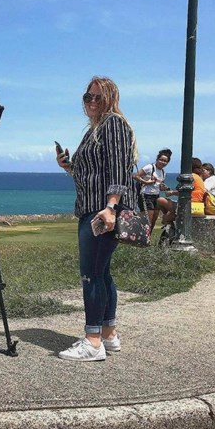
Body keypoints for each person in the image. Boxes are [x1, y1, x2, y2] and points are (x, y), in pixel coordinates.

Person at [55, 76, 137, 362]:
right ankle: (108, 334)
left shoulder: (113, 124)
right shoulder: (95, 130)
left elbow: (117, 170)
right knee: (102, 273)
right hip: (93, 207)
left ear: (110, 99)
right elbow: (90, 173)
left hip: (101, 212)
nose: (91, 102)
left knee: (90, 274)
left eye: (97, 98)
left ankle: (92, 341)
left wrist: (111, 207)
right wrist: (68, 167)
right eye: (87, 97)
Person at [134, 149, 173, 230]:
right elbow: (135, 176)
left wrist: (164, 188)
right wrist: (145, 182)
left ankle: (148, 240)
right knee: (148, 220)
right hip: (146, 195)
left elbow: (158, 186)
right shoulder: (149, 167)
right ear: (157, 159)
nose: (163, 162)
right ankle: (142, 240)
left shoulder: (163, 172)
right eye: (161, 160)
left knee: (153, 221)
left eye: (165, 161)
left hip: (156, 196)